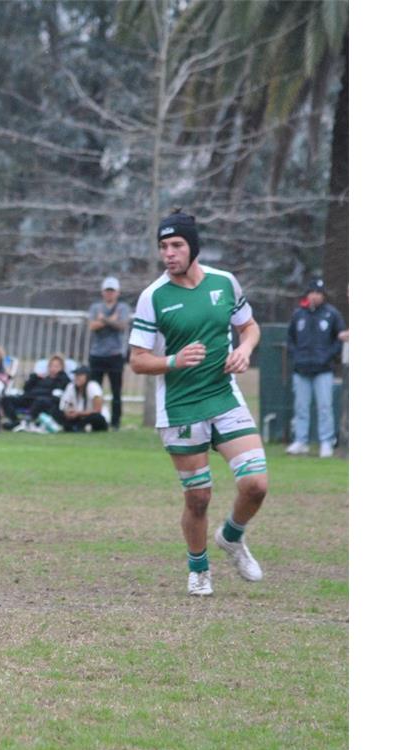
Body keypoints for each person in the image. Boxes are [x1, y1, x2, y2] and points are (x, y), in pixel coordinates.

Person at [129, 209, 269, 597]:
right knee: (198, 497)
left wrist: (245, 348)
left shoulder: (224, 283)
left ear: (193, 247)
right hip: (180, 407)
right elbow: (137, 360)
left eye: (176, 245)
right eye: (163, 246)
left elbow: (249, 326)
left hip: (224, 397)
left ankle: (232, 537)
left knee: (256, 484)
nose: (168, 253)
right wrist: (173, 360)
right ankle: (199, 569)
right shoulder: (153, 297)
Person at [286, 278, 347, 458]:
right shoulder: (299, 315)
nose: (315, 296)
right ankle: (301, 440)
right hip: (301, 369)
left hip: (323, 370)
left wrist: (328, 357)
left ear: (323, 295)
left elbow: (340, 338)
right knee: (301, 407)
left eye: (318, 293)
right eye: (312, 292)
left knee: (324, 407)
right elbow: (291, 339)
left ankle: (326, 442)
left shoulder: (331, 314)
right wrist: (296, 357)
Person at [87, 276, 131, 430]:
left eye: (112, 291)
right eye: (107, 291)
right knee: (94, 390)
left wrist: (104, 320)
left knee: (116, 391)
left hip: (115, 355)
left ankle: (115, 422)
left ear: (118, 292)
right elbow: (92, 326)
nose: (109, 294)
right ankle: (95, 420)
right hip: (96, 354)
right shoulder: (95, 307)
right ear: (102, 292)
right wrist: (110, 320)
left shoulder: (123, 308)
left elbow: (122, 325)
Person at [1, 354, 69, 432]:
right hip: (29, 399)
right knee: (6, 399)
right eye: (51, 366)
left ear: (62, 368)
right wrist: (34, 377)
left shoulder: (63, 379)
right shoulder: (41, 378)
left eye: (57, 366)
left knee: (40, 401)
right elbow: (26, 389)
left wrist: (60, 375)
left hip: (45, 402)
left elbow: (58, 393)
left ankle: (25, 423)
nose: (53, 368)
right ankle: (16, 421)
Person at [58, 365, 108, 432]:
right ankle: (77, 427)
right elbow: (64, 405)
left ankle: (79, 427)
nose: (77, 377)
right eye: (76, 375)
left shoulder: (93, 386)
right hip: (78, 416)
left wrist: (79, 413)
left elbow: (97, 410)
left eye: (80, 375)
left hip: (91, 416)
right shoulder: (71, 387)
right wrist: (68, 412)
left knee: (95, 417)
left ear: (87, 376)